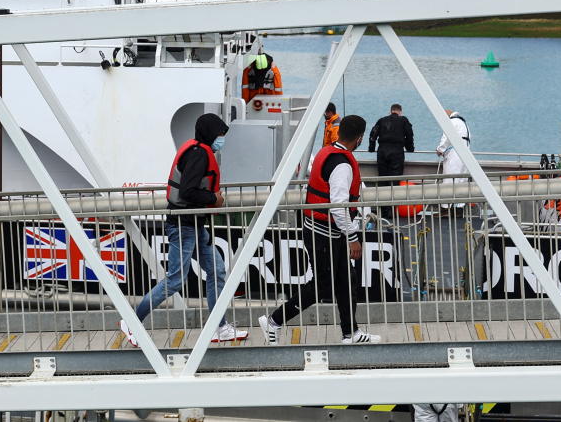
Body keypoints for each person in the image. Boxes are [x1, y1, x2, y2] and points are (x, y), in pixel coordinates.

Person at [120, 114, 248, 347]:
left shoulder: (198, 151)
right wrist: (214, 199)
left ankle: (219, 327)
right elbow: (188, 190)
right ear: (210, 133)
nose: (222, 139)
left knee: (217, 271)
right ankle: (131, 321)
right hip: (182, 226)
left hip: (195, 225)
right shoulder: (199, 155)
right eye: (220, 135)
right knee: (176, 280)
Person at [259, 115, 380, 345]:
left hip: (321, 230)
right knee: (322, 285)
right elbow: (338, 205)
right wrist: (353, 237)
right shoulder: (342, 164)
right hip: (324, 234)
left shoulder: (326, 152)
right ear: (359, 138)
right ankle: (273, 321)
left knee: (347, 280)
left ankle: (350, 333)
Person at [368, 103, 415, 181]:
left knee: (382, 177)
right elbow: (409, 136)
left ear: (390, 111)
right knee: (395, 178)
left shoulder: (381, 120)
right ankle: (393, 192)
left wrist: (371, 148)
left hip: (382, 152)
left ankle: (382, 192)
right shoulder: (403, 120)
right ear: (400, 112)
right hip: (397, 152)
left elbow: (373, 135)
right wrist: (410, 149)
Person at [437, 110, 470, 177]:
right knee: (462, 178)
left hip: (454, 155)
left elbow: (446, 138)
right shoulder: (462, 122)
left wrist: (440, 150)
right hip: (466, 153)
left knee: (451, 177)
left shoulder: (452, 122)